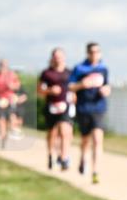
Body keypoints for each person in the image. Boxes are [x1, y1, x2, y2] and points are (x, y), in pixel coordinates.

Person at [68, 42, 111, 184]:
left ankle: (95, 171)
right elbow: (70, 87)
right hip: (83, 108)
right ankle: (83, 158)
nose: (94, 54)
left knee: (98, 139)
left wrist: (106, 90)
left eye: (97, 51)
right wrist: (82, 84)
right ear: (87, 53)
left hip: (98, 107)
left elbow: (107, 85)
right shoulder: (79, 68)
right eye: (92, 52)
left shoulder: (103, 69)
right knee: (85, 139)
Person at [39, 47, 74, 171]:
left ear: (64, 57)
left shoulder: (70, 72)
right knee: (52, 134)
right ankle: (50, 155)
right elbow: (40, 90)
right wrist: (50, 90)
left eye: (60, 56)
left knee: (65, 132)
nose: (58, 59)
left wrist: (74, 97)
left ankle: (64, 158)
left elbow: (74, 88)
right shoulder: (46, 73)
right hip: (51, 107)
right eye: (56, 56)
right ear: (52, 58)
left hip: (65, 106)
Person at [0, 60, 21, 149]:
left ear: (7, 66)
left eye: (4, 65)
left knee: (11, 117)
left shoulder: (12, 75)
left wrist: (12, 86)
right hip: (0, 100)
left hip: (10, 99)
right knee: (2, 120)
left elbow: (18, 85)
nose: (3, 67)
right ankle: (3, 138)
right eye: (1, 65)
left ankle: (13, 129)